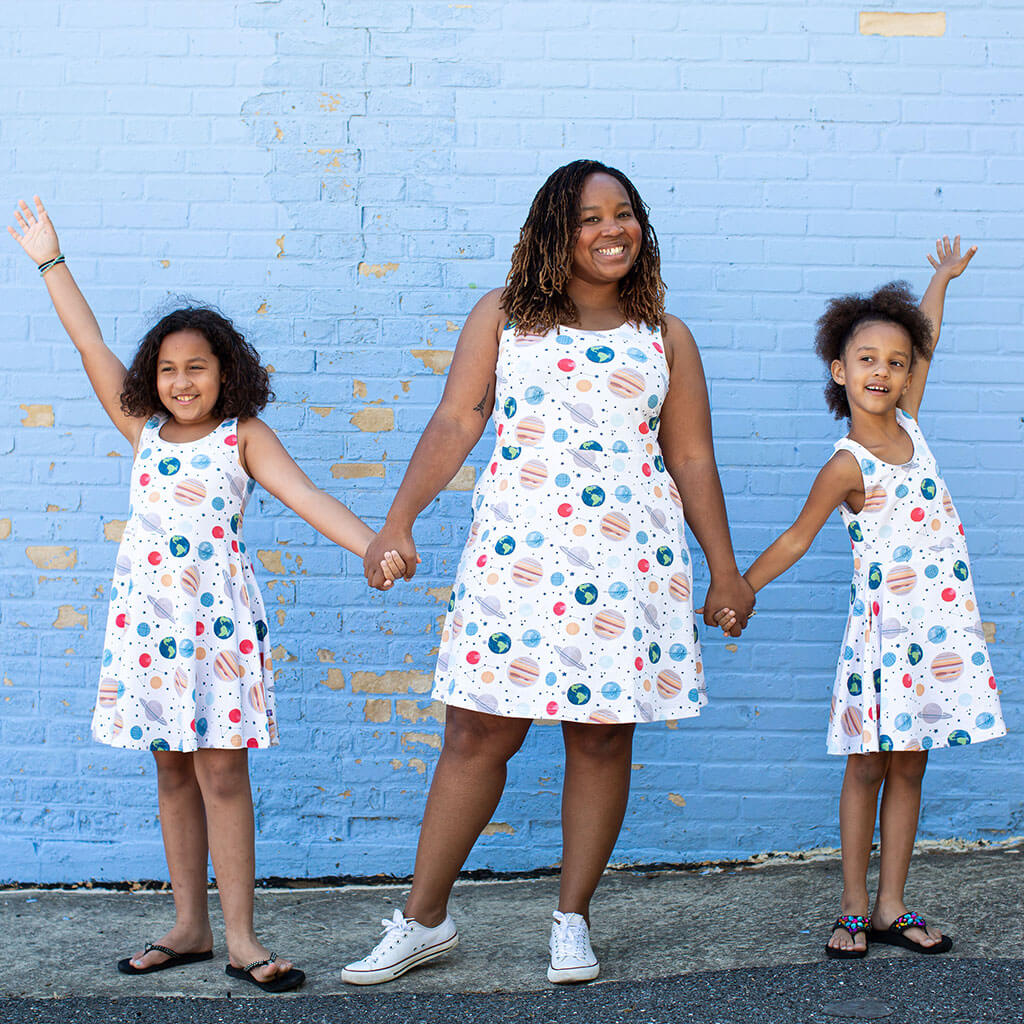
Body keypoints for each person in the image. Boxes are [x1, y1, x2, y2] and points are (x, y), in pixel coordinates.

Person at [346, 160, 754, 986]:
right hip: (518, 559)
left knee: (601, 741)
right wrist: (398, 520)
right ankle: (424, 918)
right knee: (475, 732)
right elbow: (458, 419)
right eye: (591, 217)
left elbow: (691, 455)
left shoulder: (664, 336)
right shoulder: (504, 318)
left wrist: (726, 570)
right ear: (553, 232)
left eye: (626, 213)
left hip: (629, 563)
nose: (614, 229)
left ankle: (572, 920)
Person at [8, 197, 404, 993]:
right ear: (150, 379)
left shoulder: (242, 436)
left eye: (197, 367)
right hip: (148, 623)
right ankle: (190, 927)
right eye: (167, 369)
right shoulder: (143, 432)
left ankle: (244, 940)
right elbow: (88, 343)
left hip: (216, 622)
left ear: (225, 371)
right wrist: (52, 260)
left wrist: (374, 545)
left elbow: (308, 497)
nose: (181, 381)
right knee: (171, 772)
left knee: (223, 772)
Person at [715, 237, 1006, 960]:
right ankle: (850, 906)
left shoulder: (912, 427)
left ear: (909, 377)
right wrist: (740, 588)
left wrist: (939, 280)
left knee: (912, 764)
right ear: (841, 372)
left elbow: (927, 334)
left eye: (897, 362)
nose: (885, 370)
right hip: (884, 639)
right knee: (869, 764)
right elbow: (795, 538)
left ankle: (891, 906)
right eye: (868, 359)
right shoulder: (849, 463)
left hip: (939, 635)